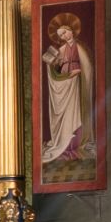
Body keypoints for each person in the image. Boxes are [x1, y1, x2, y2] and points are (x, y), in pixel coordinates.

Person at [41, 11, 93, 170]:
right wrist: (51, 63)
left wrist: (78, 73)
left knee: (73, 113)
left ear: (71, 30)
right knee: (65, 114)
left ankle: (74, 146)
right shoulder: (62, 49)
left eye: (64, 33)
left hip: (75, 85)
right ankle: (63, 145)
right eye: (61, 35)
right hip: (65, 83)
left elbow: (86, 66)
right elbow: (56, 65)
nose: (63, 36)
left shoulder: (79, 47)